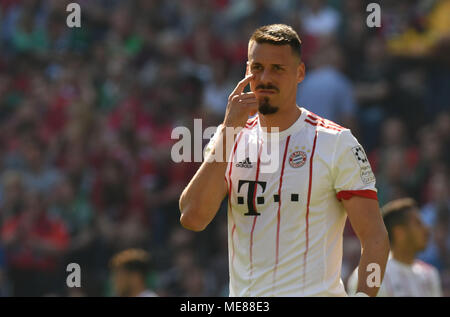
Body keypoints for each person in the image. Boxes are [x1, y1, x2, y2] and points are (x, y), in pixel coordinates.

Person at [179, 24, 389, 297]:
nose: (265, 78)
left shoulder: (337, 142)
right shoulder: (228, 138)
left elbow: (374, 238)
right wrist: (229, 130)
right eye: (257, 67)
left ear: (299, 73)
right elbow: (193, 217)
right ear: (246, 71)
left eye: (277, 69)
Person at [347, 198, 442, 296]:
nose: (427, 229)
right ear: (399, 233)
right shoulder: (370, 274)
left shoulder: (430, 274)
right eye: (418, 223)